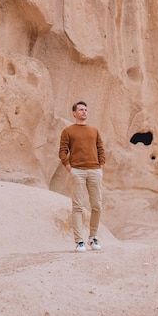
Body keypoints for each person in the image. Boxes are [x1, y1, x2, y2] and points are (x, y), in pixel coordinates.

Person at [59, 101, 105, 252]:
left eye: (86, 109)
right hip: (77, 171)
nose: (84, 112)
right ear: (74, 113)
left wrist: (101, 167)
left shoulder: (94, 130)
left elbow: (101, 149)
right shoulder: (68, 131)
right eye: (81, 109)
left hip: (94, 171)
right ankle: (79, 241)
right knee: (77, 206)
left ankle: (92, 237)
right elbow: (62, 151)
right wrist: (69, 168)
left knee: (97, 205)